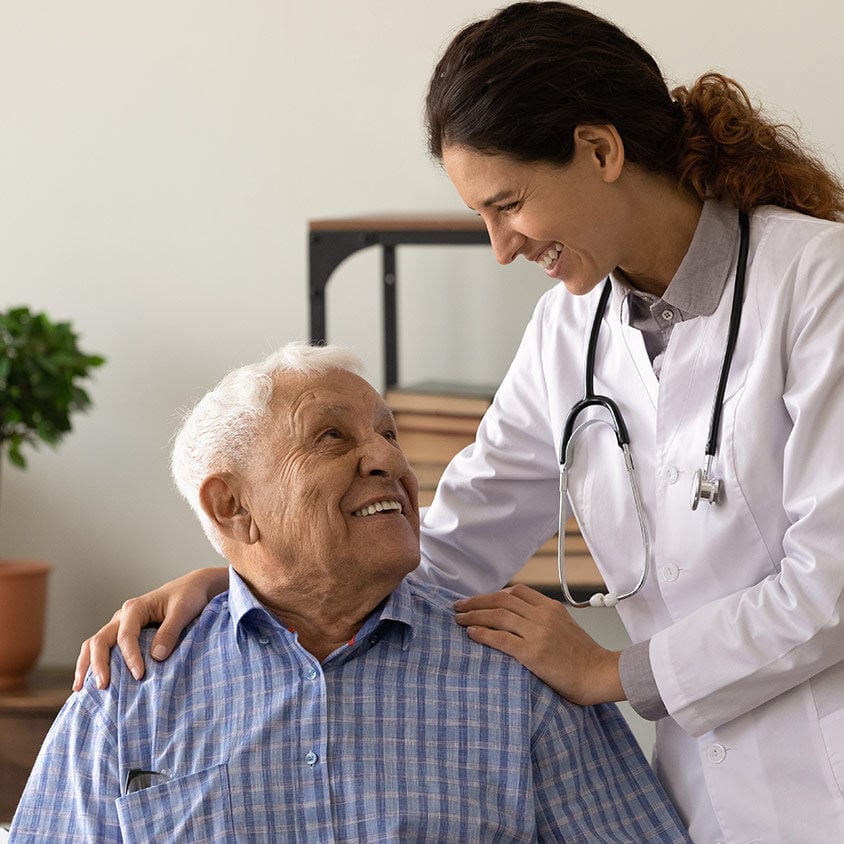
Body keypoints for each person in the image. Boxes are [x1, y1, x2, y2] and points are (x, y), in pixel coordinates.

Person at [75, 2, 844, 840]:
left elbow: (831, 583)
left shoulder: (817, 284)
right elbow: (444, 547)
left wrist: (613, 670)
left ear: (600, 149)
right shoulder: (569, 332)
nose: (502, 248)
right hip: (710, 799)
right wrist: (244, 580)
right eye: (483, 216)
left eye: (508, 204)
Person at [12, 343, 689, 842]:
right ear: (231, 508)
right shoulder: (126, 692)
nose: (389, 459)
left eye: (389, 434)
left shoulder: (519, 672)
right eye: (332, 436)